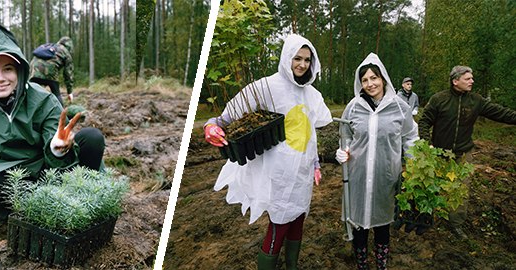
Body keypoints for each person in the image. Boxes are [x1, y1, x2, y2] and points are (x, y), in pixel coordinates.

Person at [0, 26, 105, 251]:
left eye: (8, 69)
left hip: (55, 168)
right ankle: (42, 210)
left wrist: (56, 150)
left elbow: (59, 160)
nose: (0, 78)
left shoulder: (43, 100)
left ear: (20, 70)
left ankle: (84, 206)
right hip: (20, 175)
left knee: (92, 138)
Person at [204, 34, 332, 270]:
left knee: (298, 219)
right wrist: (211, 124)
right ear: (287, 58)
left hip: (302, 173)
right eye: (297, 58)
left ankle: (291, 266)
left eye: (307, 59)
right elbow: (228, 115)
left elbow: (309, 132)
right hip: (279, 172)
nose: (302, 64)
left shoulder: (312, 95)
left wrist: (314, 164)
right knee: (280, 223)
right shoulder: (267, 87)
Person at [335, 53, 418, 270]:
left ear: (383, 79)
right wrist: (343, 151)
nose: (370, 84)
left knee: (382, 224)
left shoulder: (400, 107)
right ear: (359, 83)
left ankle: (381, 264)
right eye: (365, 80)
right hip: (358, 175)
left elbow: (410, 136)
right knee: (359, 223)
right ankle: (362, 264)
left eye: (374, 78)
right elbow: (347, 136)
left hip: (386, 175)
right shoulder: (353, 107)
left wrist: (415, 164)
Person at [418, 65, 516, 240]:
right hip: (439, 154)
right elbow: (424, 122)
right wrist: (428, 145)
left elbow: (500, 113)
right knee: (432, 187)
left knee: (461, 191)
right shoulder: (439, 99)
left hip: (463, 154)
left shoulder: (476, 100)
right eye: (468, 79)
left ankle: (455, 224)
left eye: (471, 78)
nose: (472, 81)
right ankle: (426, 218)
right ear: (455, 81)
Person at [29, 37, 75, 108]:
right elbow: (68, 73)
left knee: (30, 94)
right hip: (49, 72)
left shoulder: (50, 47)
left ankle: (28, 111)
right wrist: (69, 91)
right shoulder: (65, 52)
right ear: (69, 47)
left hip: (33, 70)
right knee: (56, 94)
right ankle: (61, 114)